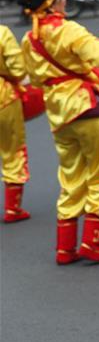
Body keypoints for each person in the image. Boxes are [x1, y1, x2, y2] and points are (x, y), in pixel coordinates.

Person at [19, 0, 99, 264]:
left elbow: (34, 77)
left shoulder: (30, 38)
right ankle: (92, 243)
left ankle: (65, 248)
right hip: (85, 105)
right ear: (53, 2)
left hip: (58, 111)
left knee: (71, 175)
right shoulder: (68, 29)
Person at [0, 24, 30, 222]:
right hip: (4, 99)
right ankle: (13, 208)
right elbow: (18, 69)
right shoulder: (2, 32)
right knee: (12, 150)